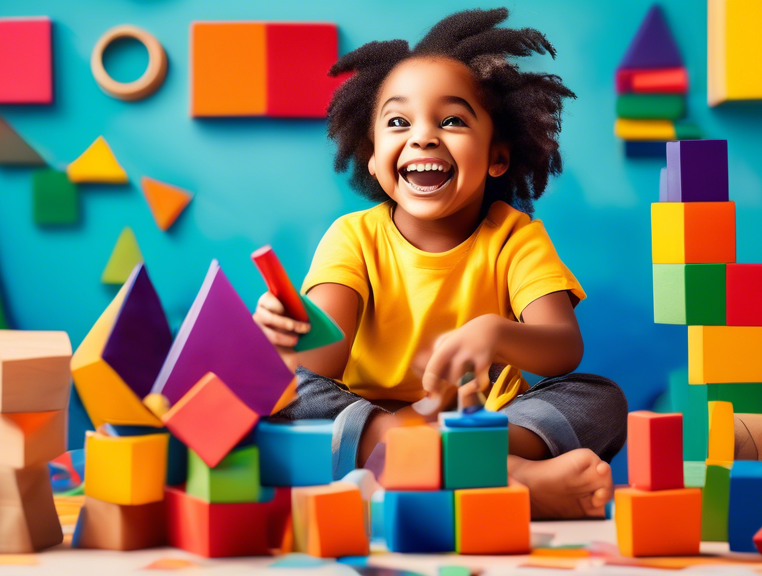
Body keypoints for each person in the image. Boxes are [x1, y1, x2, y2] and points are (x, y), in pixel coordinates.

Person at [253, 8, 626, 519]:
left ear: (497, 157)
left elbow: (563, 351)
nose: (423, 136)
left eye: (451, 120)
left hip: (484, 419)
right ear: (373, 155)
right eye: (399, 122)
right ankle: (503, 476)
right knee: (281, 387)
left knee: (600, 398)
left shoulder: (515, 237)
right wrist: (287, 335)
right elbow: (319, 368)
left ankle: (437, 462)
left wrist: (495, 333)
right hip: (372, 420)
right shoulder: (353, 238)